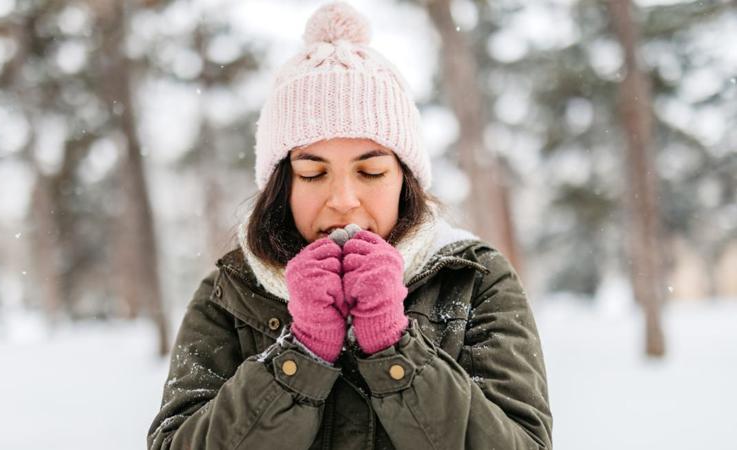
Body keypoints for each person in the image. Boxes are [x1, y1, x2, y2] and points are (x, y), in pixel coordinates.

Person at [147, 2, 552, 449]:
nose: (342, 200)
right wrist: (299, 358)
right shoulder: (230, 292)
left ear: (404, 180)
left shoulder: (474, 279)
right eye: (313, 173)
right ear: (282, 185)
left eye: (371, 171)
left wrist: (394, 349)